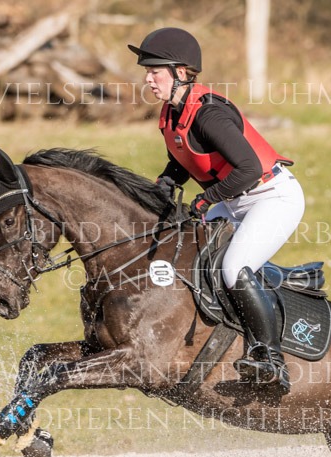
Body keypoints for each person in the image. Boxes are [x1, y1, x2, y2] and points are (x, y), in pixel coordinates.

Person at [129, 27, 305, 393]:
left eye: (154, 71)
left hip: (271, 197)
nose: (148, 79)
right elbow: (182, 156)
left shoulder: (209, 114)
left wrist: (207, 200)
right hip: (234, 198)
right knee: (184, 251)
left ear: (180, 72)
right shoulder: (173, 112)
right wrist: (164, 183)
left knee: (233, 267)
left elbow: (249, 169)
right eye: (147, 71)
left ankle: (270, 359)